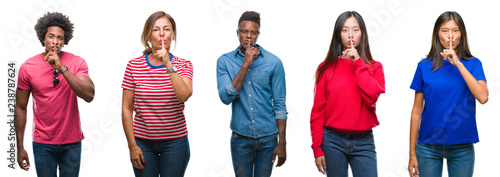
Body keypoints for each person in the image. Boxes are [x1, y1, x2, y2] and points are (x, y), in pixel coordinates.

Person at [407, 11, 488, 177]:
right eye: (445, 30)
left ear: (462, 34)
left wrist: (458, 63)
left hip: (462, 147)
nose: (450, 36)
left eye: (455, 30)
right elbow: (416, 111)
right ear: (437, 34)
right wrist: (412, 154)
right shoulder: (424, 66)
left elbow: (483, 97)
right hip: (428, 147)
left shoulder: (473, 64)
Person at [15, 12, 95, 177]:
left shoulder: (76, 62)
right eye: (51, 36)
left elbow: (89, 95)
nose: (55, 41)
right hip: (42, 143)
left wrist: (62, 69)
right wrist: (20, 147)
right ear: (43, 37)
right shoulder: (28, 67)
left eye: (60, 38)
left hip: (71, 143)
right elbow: (20, 107)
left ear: (65, 40)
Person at [310, 11, 385, 177]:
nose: (350, 35)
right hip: (332, 140)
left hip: (363, 140)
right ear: (338, 34)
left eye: (355, 30)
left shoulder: (374, 67)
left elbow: (371, 98)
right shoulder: (325, 68)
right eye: (345, 30)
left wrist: (358, 62)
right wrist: (317, 149)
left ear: (363, 33)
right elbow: (317, 111)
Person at [121, 11, 193, 177]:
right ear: (148, 35)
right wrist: (132, 145)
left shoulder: (184, 65)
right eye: (156, 29)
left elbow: (184, 95)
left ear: (172, 35)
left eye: (166, 29)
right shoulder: (133, 66)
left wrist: (168, 63)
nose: (161, 33)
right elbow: (126, 108)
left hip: (176, 143)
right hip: (142, 143)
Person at [216, 11, 287, 177]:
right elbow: (226, 97)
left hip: (268, 139)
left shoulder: (273, 62)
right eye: (244, 31)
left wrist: (282, 142)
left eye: (253, 32)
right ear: (237, 32)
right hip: (241, 139)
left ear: (258, 34)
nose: (249, 36)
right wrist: (246, 64)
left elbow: (280, 104)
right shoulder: (224, 61)